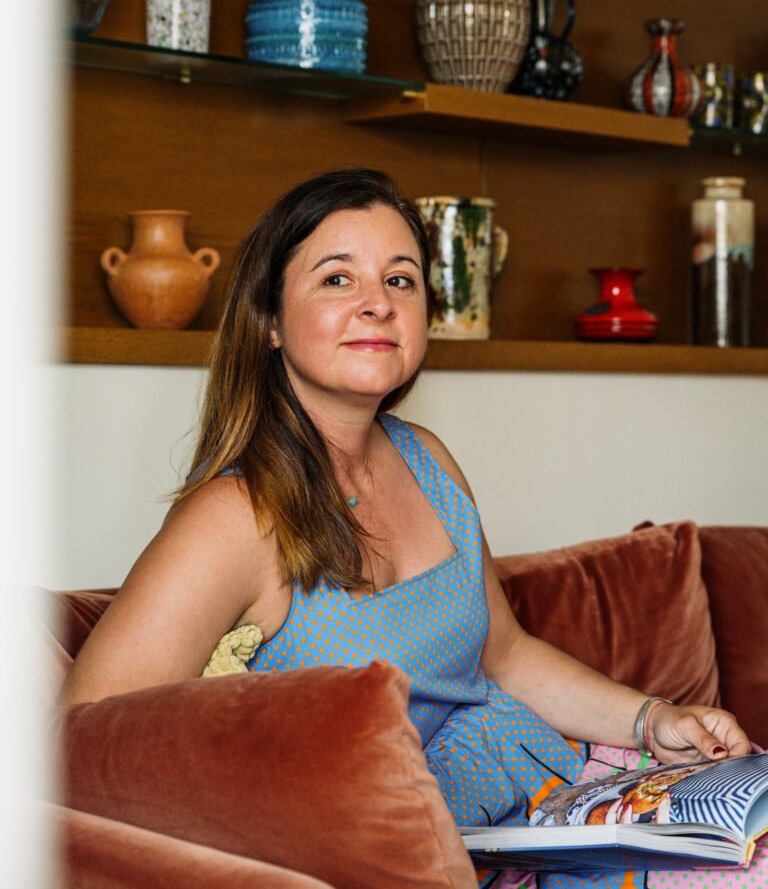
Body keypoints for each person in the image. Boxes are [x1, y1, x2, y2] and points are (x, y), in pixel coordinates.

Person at [61, 167, 752, 889]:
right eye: (336, 279)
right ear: (267, 320)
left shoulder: (427, 459)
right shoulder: (234, 519)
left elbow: (506, 654)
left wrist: (655, 721)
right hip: (420, 857)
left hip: (551, 806)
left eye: (401, 280)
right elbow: (86, 745)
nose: (377, 305)